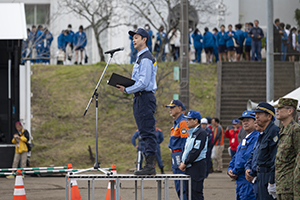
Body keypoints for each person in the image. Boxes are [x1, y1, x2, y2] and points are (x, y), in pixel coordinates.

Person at [117, 28, 157, 175]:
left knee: (147, 131)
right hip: (140, 97)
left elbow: (144, 82)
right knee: (143, 131)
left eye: (137, 37)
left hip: (145, 97)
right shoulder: (140, 57)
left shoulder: (146, 57)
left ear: (144, 39)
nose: (134, 40)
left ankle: (150, 167)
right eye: (133, 38)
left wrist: (127, 89)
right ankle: (148, 165)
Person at [228, 110, 259, 200]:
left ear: (255, 121)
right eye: (243, 120)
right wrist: (230, 169)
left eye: (248, 120)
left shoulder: (256, 137)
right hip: (240, 180)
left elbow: (246, 157)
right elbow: (236, 156)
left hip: (247, 178)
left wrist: (234, 171)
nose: (245, 122)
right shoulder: (245, 139)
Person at [253, 102, 280, 200]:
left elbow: (275, 159)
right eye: (256, 114)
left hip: (267, 176)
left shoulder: (274, 132)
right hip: (261, 176)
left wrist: (271, 182)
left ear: (269, 116)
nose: (256, 116)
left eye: (259, 114)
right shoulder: (264, 133)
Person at [274, 98, 300, 200]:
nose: (277, 111)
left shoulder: (295, 130)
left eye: (280, 108)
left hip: (290, 188)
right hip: (281, 185)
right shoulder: (283, 130)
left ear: (290, 111)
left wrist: (297, 191)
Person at [179, 110, 207, 200]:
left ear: (195, 121)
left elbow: (195, 151)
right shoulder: (192, 132)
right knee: (189, 193)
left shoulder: (201, 133)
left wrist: (185, 162)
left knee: (196, 193)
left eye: (189, 119)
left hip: (197, 166)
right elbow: (187, 150)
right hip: (190, 166)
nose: (186, 121)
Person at [165, 100, 188, 200]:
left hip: (179, 154)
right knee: (177, 183)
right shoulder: (177, 123)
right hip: (175, 154)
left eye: (172, 107)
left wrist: (184, 159)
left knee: (181, 184)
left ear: (179, 109)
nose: (170, 110)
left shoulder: (182, 122)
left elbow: (185, 141)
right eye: (169, 107)